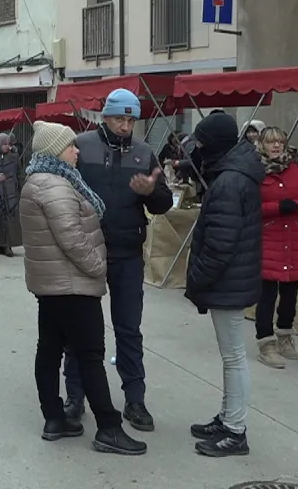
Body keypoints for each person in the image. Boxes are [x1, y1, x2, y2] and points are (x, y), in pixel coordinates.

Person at [20, 121, 146, 456]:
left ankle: (54, 419)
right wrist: (99, 267)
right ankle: (109, 427)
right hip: (72, 286)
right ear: (55, 151)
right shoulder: (55, 186)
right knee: (90, 355)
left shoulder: (41, 181)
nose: (77, 151)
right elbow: (72, 239)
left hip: (52, 286)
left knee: (49, 350)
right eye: (71, 146)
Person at [66, 89, 172, 432]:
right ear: (105, 117)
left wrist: (151, 192)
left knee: (129, 329)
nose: (125, 126)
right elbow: (60, 190)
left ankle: (135, 400)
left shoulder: (145, 154)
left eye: (130, 120)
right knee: (80, 329)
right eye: (119, 119)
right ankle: (75, 396)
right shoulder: (81, 146)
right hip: (87, 251)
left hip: (127, 252)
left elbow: (164, 203)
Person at [184, 112, 265, 458]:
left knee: (234, 357)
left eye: (201, 143)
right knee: (229, 356)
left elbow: (220, 242)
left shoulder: (230, 181)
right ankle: (228, 416)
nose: (197, 150)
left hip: (228, 280)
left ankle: (235, 430)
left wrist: (197, 279)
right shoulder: (234, 173)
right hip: (232, 278)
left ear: (214, 144)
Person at [254, 126, 298, 369]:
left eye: (280, 141)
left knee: (290, 293)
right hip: (268, 237)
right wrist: (277, 208)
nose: (276, 146)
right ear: (263, 145)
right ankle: (265, 341)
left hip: (293, 239)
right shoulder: (257, 171)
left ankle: (285, 335)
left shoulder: (297, 169)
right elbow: (251, 207)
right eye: (271, 142)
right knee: (267, 293)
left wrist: (296, 205)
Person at [0, 132, 24, 257]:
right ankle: (0, 244)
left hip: (11, 191)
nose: (8, 146)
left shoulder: (14, 156)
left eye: (9, 144)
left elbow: (20, 173)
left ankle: (8, 245)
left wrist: (21, 188)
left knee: (11, 218)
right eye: (5, 144)